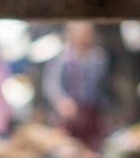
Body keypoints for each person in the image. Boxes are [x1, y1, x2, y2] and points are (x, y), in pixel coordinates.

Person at [43, 21, 112, 149]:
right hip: (68, 117)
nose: (84, 36)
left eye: (87, 32)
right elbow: (51, 85)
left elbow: (103, 89)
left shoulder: (98, 59)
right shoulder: (61, 59)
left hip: (91, 115)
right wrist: (61, 102)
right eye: (81, 32)